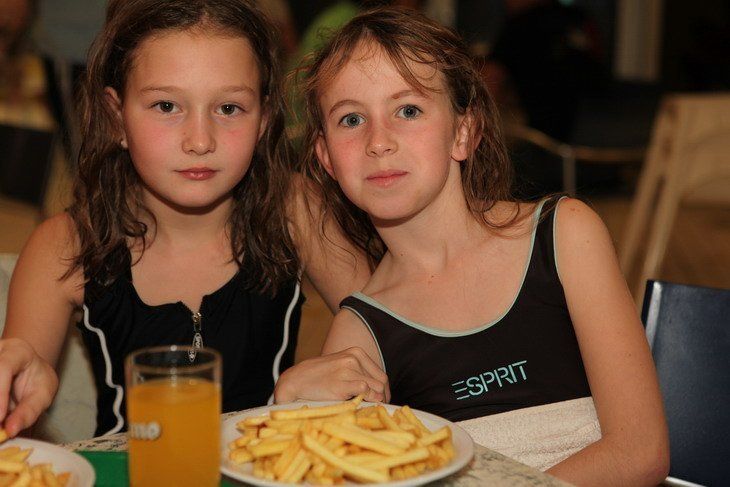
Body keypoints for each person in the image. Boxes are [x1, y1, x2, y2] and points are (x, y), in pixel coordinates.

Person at [274, 7, 669, 485]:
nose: (378, 141)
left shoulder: (564, 235)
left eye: (408, 110)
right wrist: (290, 410)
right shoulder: (359, 333)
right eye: (351, 118)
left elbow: (640, 451)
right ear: (326, 158)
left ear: (463, 133)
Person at [0, 0, 372, 439]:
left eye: (228, 109)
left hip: (270, 462)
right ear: (116, 117)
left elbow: (385, 331)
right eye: (166, 106)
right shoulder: (64, 244)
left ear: (264, 119)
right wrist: (18, 394)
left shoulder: (295, 209)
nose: (199, 140)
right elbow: (20, 407)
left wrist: (320, 389)